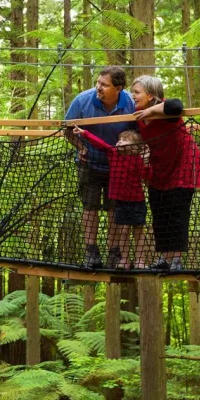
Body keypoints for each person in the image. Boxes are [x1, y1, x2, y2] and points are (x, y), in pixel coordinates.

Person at [130, 75, 200, 271]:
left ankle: (176, 260)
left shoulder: (167, 110)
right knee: (159, 211)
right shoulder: (137, 116)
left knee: (176, 211)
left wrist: (151, 110)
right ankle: (165, 258)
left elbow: (176, 105)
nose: (133, 96)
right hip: (160, 166)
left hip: (182, 163)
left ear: (150, 95)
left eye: (137, 92)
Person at [64, 66, 136, 269]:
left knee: (115, 210)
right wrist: (80, 148)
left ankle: (114, 253)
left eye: (104, 84)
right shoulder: (82, 100)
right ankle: (91, 253)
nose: (98, 87)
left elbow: (138, 134)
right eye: (98, 82)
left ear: (118, 88)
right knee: (90, 207)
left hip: (118, 167)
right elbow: (66, 130)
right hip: (89, 164)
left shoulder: (130, 103)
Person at [73, 128, 151, 269]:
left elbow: (146, 176)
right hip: (120, 201)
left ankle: (140, 260)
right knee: (124, 231)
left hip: (137, 201)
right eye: (120, 139)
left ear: (134, 147)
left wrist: (145, 161)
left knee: (138, 231)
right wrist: (84, 133)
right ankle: (124, 260)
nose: (120, 141)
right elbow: (100, 144)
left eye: (125, 140)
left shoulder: (138, 160)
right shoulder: (113, 154)